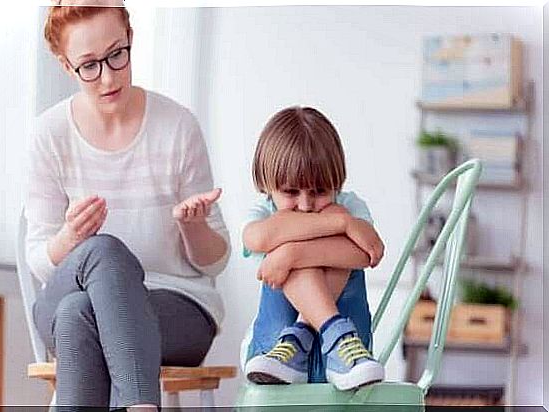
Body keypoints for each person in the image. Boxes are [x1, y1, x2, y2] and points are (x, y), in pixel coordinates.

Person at [25, 1, 230, 409]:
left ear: (131, 40)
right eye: (89, 65)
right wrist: (71, 237)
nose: (107, 77)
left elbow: (216, 261)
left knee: (78, 315)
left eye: (117, 55)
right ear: (67, 67)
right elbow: (39, 259)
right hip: (70, 290)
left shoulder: (177, 126)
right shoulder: (50, 134)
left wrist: (193, 226)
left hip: (176, 309)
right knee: (101, 251)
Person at [241, 106, 385, 390]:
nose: (305, 205)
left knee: (310, 253)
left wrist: (291, 255)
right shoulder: (265, 212)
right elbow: (256, 239)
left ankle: (305, 337)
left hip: (345, 364)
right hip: (273, 356)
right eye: (291, 192)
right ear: (267, 186)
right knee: (283, 237)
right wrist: (341, 224)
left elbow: (367, 253)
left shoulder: (350, 205)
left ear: (336, 182)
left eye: (319, 191)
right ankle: (335, 333)